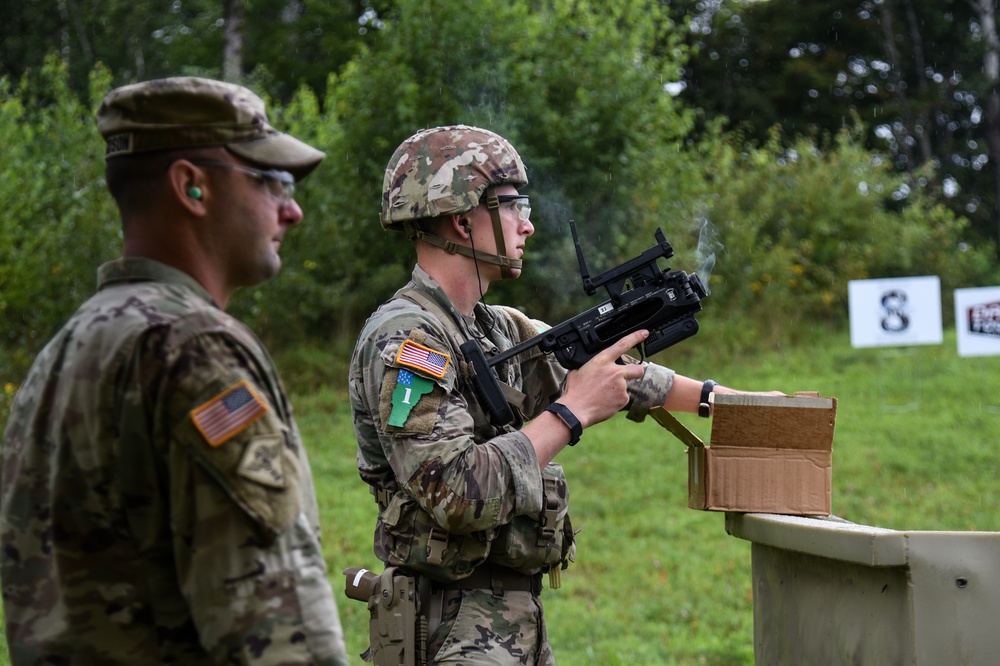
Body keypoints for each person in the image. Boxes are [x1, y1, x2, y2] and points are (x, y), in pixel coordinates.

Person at [348, 125, 780, 665]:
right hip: (449, 629)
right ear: (462, 220)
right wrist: (571, 413)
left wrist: (728, 402)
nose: (527, 223)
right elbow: (455, 493)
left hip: (511, 621)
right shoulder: (407, 340)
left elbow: (606, 369)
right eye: (511, 207)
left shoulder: (492, 327)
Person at [0, 77, 349, 665]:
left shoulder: (69, 346)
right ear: (192, 186)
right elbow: (278, 637)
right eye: (270, 182)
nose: (293, 210)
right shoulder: (195, 349)